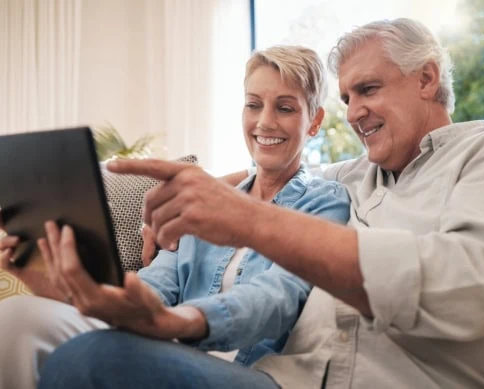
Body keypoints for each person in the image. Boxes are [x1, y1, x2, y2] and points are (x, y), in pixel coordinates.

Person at [39, 18, 484, 388]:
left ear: (427, 78)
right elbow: (276, 175)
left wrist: (243, 217)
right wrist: (190, 192)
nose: (353, 112)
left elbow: (465, 286)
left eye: (367, 90)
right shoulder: (359, 176)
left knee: (91, 362)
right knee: (44, 335)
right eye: (345, 97)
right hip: (285, 375)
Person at [0, 45, 350, 389]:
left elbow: (277, 299)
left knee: (92, 355)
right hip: (172, 349)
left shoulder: (323, 203)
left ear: (315, 121)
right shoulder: (206, 201)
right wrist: (65, 288)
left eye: (285, 108)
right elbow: (157, 286)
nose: (264, 121)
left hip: (255, 370)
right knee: (17, 319)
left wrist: (179, 321)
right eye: (253, 104)